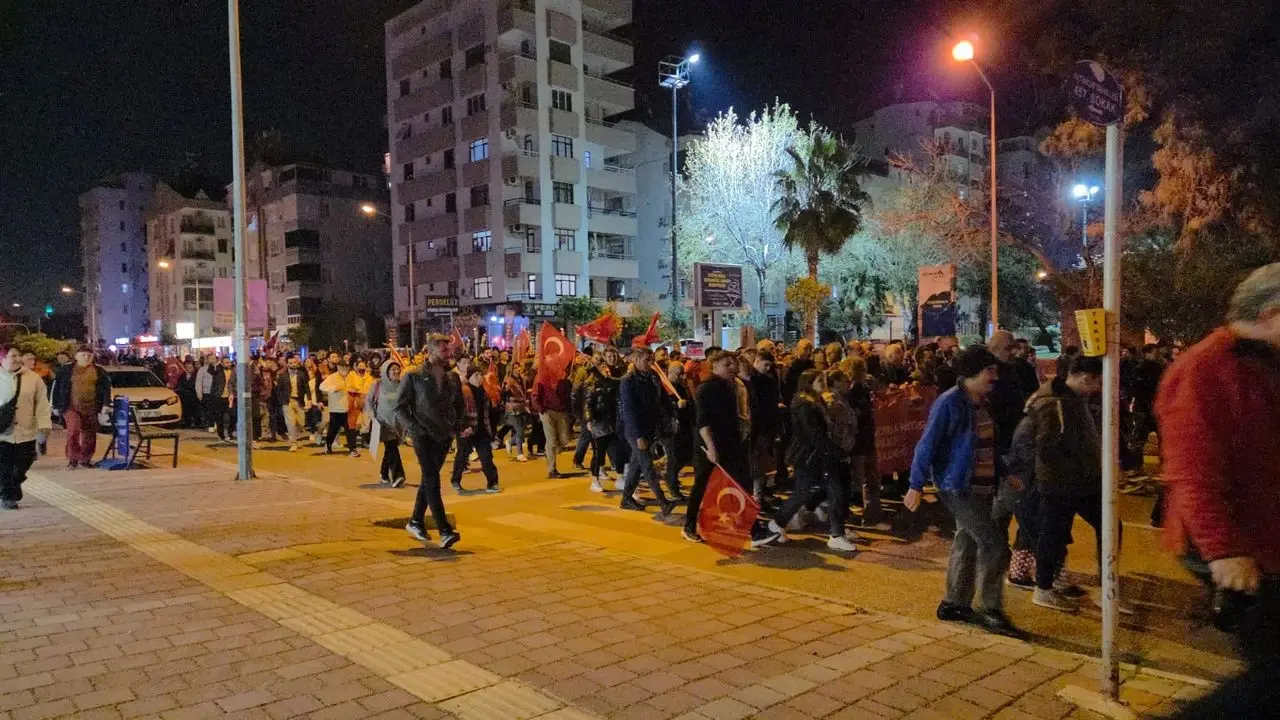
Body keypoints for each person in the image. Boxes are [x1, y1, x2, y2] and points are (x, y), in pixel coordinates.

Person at [1157, 264, 1280, 713]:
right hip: (1234, 544)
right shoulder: (1205, 369)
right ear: (1271, 312)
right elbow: (1191, 469)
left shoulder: (1265, 364)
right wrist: (1223, 549)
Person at [905, 346, 1021, 637]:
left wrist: (1005, 473)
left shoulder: (983, 402)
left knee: (966, 541)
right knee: (994, 543)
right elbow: (927, 444)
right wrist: (915, 485)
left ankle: (954, 603)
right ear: (970, 374)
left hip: (983, 485)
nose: (994, 377)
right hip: (957, 486)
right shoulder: (949, 403)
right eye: (989, 371)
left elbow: (987, 445)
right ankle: (990, 608)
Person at [1024, 355, 1110, 613]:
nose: (1099, 389)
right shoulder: (1054, 403)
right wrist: (1079, 465)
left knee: (1104, 525)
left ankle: (1106, 583)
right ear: (1086, 378)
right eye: (1098, 383)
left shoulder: (1072, 399)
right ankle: (1043, 588)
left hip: (1080, 481)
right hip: (1061, 483)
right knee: (1053, 534)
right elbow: (1048, 448)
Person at [684, 350, 780, 547]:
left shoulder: (735, 386)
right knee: (701, 487)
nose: (733, 368)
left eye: (734, 364)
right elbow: (702, 422)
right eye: (727, 365)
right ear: (714, 366)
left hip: (733, 444)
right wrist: (711, 448)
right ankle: (689, 526)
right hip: (709, 447)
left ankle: (754, 531)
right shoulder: (706, 389)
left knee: (742, 485)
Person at [396, 338, 463, 549]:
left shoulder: (452, 377)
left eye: (449, 351)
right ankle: (444, 530)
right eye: (444, 350)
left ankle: (416, 520)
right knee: (432, 479)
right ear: (431, 352)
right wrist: (413, 428)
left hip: (443, 435)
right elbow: (400, 407)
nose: (448, 354)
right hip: (422, 435)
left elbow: (459, 404)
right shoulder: (414, 376)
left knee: (428, 479)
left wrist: (457, 427)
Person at [617, 347, 676, 516]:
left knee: (636, 465)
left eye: (651, 360)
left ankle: (627, 498)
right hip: (636, 431)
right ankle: (662, 501)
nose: (650, 364)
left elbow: (662, 399)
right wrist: (638, 435)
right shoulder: (628, 381)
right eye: (646, 360)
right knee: (647, 466)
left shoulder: (653, 377)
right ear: (636, 360)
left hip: (651, 428)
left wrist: (671, 413)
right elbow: (629, 411)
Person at [1, 346, 52, 508]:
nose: (16, 358)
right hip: (2, 433)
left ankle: (12, 486)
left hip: (26, 431)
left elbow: (42, 404)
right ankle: (9, 497)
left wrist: (44, 426)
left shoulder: (33, 378)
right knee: (4, 467)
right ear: (2, 358)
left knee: (22, 465)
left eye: (18, 355)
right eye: (11, 355)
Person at [51, 346, 111, 469]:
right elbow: (56, 388)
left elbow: (106, 389)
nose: (86, 357)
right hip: (71, 406)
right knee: (73, 430)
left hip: (92, 407)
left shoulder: (99, 371)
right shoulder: (66, 370)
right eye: (83, 355)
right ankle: (73, 458)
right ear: (76, 356)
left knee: (90, 434)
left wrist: (106, 404)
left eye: (89, 355)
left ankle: (85, 459)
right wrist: (55, 405)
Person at [452, 367, 501, 493]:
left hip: (481, 430)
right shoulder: (463, 391)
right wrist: (461, 427)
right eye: (476, 375)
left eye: (480, 375)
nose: (479, 377)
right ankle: (455, 480)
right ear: (469, 377)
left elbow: (487, 413)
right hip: (466, 430)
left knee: (486, 457)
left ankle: (492, 482)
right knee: (462, 457)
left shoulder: (483, 392)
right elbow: (456, 410)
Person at [583, 353, 624, 492]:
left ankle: (620, 477)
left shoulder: (612, 384)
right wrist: (589, 419)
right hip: (598, 423)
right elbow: (587, 403)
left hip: (612, 422)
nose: (607, 371)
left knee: (617, 452)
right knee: (598, 453)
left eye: (608, 369)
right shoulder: (592, 384)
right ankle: (595, 480)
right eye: (604, 369)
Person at [532, 361, 573, 478]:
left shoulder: (564, 379)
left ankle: (551, 450)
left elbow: (568, 395)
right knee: (551, 440)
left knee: (565, 438)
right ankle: (552, 469)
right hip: (547, 411)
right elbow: (535, 395)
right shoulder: (541, 378)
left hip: (562, 412)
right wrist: (541, 409)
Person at [660, 360, 694, 502]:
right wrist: (675, 405)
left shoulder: (681, 386)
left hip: (684, 428)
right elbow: (662, 407)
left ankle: (670, 476)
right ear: (671, 373)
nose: (682, 377)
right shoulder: (665, 388)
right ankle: (672, 487)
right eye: (679, 374)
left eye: (683, 374)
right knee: (674, 458)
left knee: (685, 456)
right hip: (670, 429)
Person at [319, 360, 358, 456]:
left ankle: (352, 449)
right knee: (333, 429)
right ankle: (328, 445)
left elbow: (357, 387)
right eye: (342, 367)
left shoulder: (352, 377)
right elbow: (322, 387)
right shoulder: (332, 377)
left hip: (349, 408)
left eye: (346, 367)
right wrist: (334, 388)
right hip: (336, 409)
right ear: (338, 368)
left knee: (350, 429)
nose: (344, 369)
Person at [275, 354, 311, 452]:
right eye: (290, 363)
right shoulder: (282, 376)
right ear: (286, 364)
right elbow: (278, 390)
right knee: (290, 423)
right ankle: (293, 443)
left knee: (302, 422)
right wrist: (282, 401)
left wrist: (309, 399)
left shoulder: (302, 375)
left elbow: (307, 388)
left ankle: (296, 437)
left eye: (294, 362)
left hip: (299, 401)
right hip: (288, 402)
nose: (293, 364)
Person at [208, 356, 236, 441]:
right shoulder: (218, 371)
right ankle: (221, 435)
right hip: (219, 397)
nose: (228, 364)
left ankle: (230, 433)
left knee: (233, 416)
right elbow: (211, 371)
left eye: (229, 362)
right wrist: (212, 363)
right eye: (226, 362)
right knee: (219, 418)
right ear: (222, 363)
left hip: (231, 397)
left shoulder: (234, 371)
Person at [195, 354, 215, 431]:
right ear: (206, 360)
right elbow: (198, 382)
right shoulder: (202, 370)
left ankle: (215, 423)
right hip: (206, 392)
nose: (212, 360)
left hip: (216, 393)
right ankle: (210, 425)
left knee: (215, 410)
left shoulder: (218, 369)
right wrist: (199, 393)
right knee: (208, 409)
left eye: (213, 358)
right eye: (210, 358)